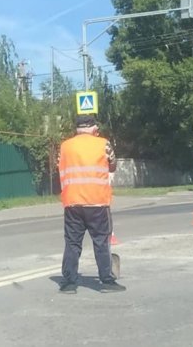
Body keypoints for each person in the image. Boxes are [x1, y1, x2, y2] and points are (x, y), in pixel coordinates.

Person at [57, 115, 124, 294]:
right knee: (101, 242)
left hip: (72, 202)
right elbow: (112, 166)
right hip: (97, 202)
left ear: (77, 129)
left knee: (72, 243)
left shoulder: (65, 146)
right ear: (94, 128)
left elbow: (59, 166)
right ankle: (107, 281)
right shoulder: (103, 144)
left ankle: (69, 284)